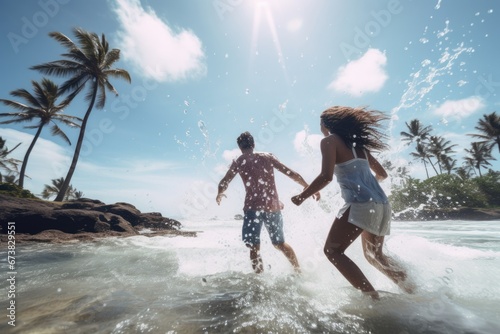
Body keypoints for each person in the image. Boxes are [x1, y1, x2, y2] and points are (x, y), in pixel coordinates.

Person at [291, 106, 414, 299]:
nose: (320, 126)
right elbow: (382, 174)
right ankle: (414, 290)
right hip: (381, 204)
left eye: (321, 123)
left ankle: (373, 298)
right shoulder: (361, 148)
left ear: (327, 124)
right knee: (375, 256)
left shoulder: (329, 141)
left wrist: (302, 196)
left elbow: (326, 176)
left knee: (333, 251)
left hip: (360, 204)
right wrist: (367, 185)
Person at [216, 131, 319, 274]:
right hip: (272, 207)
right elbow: (291, 173)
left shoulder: (239, 162)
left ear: (240, 147)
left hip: (252, 208)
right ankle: (298, 271)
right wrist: (307, 187)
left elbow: (224, 182)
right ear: (253, 144)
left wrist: (220, 193)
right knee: (280, 244)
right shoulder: (267, 157)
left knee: (253, 247)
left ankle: (259, 280)